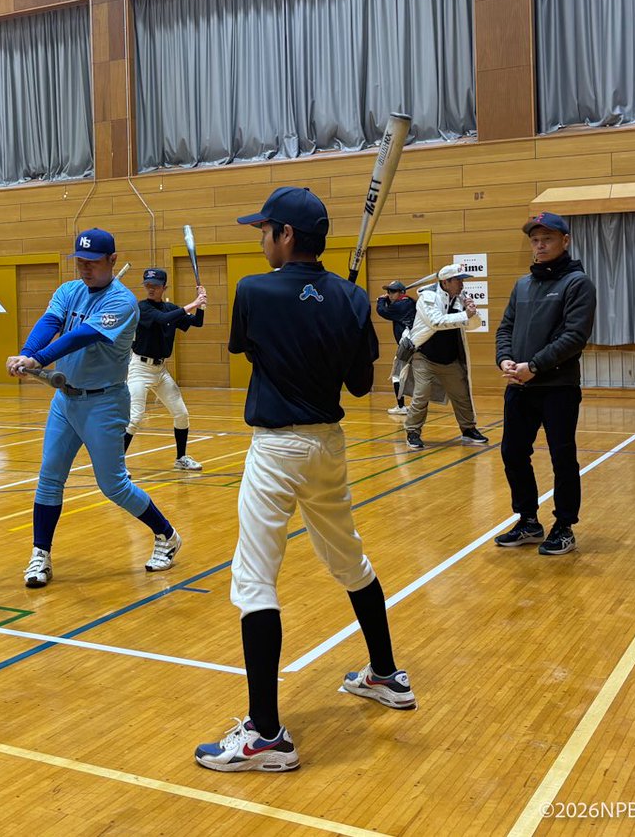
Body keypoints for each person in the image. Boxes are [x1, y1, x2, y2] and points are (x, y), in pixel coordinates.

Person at [195, 186, 414, 775]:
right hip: (328, 447)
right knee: (350, 559)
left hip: (277, 447)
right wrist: (337, 313)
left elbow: (246, 347)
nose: (261, 238)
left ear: (286, 236)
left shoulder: (253, 290)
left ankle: (266, 735)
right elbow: (362, 386)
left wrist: (316, 310)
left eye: (265, 229)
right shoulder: (350, 297)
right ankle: (387, 675)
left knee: (253, 580)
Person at [6, 228, 187, 588]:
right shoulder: (69, 290)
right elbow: (52, 323)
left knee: (113, 486)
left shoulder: (121, 303)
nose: (84, 269)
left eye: (92, 263)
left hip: (104, 403)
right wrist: (28, 351)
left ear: (112, 261)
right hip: (66, 401)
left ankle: (167, 535)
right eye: (80, 262)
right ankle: (40, 554)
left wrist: (38, 359)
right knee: (49, 478)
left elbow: (81, 336)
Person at [494, 212, 597, 556]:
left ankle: (564, 525)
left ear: (565, 241)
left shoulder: (578, 283)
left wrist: (534, 366)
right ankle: (528, 520)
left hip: (558, 388)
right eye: (535, 240)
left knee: (562, 456)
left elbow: (574, 337)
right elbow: (505, 327)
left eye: (547, 239)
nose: (540, 245)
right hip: (519, 387)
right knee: (512, 453)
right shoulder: (523, 284)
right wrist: (505, 359)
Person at [123, 268, 207, 471]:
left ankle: (181, 458)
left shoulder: (170, 307)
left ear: (164, 287)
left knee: (181, 414)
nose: (150, 289)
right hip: (139, 369)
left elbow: (197, 322)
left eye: (155, 286)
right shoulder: (142, 308)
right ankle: (116, 466)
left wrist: (201, 304)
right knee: (134, 418)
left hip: (160, 371)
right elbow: (162, 320)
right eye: (147, 285)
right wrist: (192, 304)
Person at [402, 265, 489, 451]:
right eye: (458, 280)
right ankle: (413, 432)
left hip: (450, 358)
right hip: (423, 356)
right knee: (421, 394)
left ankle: (468, 429)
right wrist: (465, 314)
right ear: (445, 282)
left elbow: (473, 325)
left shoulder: (460, 298)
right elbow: (436, 321)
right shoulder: (427, 297)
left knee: (462, 394)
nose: (462, 283)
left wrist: (471, 312)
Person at [376, 280, 416, 415]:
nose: (389, 294)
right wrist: (387, 299)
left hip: (406, 344)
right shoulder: (407, 302)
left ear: (401, 293)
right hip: (411, 343)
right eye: (388, 291)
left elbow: (382, 311)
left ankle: (401, 407)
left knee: (397, 375)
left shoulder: (402, 305)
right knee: (414, 375)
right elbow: (392, 309)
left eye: (392, 291)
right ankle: (413, 406)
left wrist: (381, 300)